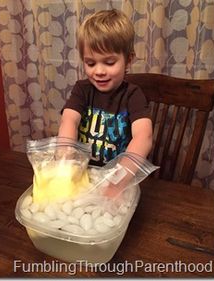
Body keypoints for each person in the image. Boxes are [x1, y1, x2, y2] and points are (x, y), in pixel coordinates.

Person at [58, 9, 153, 196]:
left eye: (109, 62)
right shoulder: (82, 89)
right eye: (91, 63)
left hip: (120, 181)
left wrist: (119, 180)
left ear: (128, 60)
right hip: (83, 177)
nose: (99, 71)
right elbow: (69, 120)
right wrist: (65, 154)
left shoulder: (133, 95)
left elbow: (144, 136)